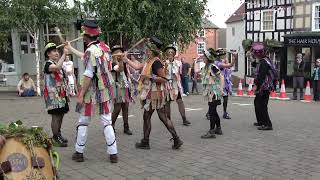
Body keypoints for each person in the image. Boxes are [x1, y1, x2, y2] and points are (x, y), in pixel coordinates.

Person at [71, 21, 118, 163]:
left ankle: (79, 152)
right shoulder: (105, 47)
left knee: (83, 121)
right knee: (107, 122)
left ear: (86, 37)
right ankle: (113, 153)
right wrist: (70, 48)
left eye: (84, 35)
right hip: (105, 90)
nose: (83, 38)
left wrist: (80, 94)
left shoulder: (89, 51)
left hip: (91, 92)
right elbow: (87, 58)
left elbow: (88, 74)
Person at [125, 37, 183, 150]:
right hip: (152, 93)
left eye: (148, 49)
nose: (146, 50)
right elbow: (137, 67)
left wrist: (150, 77)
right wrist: (126, 59)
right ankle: (176, 139)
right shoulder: (149, 61)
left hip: (154, 94)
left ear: (152, 50)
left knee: (150, 116)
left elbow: (164, 79)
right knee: (161, 117)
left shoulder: (156, 62)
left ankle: (146, 141)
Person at [43, 43, 69, 147]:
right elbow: (57, 67)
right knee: (56, 116)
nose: (56, 53)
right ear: (48, 54)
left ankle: (58, 134)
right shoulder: (48, 64)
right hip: (52, 94)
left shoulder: (56, 63)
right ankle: (55, 137)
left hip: (61, 93)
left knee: (61, 114)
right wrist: (64, 54)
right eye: (54, 51)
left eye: (57, 51)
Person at [251, 43, 277, 131]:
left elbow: (261, 75)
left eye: (255, 53)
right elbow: (255, 66)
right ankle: (261, 121)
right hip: (263, 86)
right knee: (257, 103)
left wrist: (256, 85)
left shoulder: (264, 62)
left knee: (262, 105)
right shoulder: (264, 60)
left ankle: (267, 124)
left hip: (264, 87)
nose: (254, 55)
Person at [163, 45, 191, 126]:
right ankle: (168, 119)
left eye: (172, 52)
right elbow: (163, 74)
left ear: (174, 54)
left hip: (175, 85)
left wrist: (178, 77)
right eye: (168, 52)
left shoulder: (178, 63)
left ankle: (184, 119)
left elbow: (180, 73)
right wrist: (166, 68)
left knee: (180, 101)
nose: (170, 53)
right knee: (167, 102)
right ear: (166, 54)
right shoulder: (164, 63)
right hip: (167, 84)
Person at [205, 48, 237, 120]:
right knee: (215, 100)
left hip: (224, 83)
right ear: (218, 56)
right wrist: (234, 59)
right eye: (223, 55)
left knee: (225, 99)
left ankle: (224, 113)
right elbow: (229, 65)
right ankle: (209, 113)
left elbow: (228, 68)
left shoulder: (221, 61)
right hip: (218, 83)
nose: (224, 57)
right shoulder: (217, 63)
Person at [200, 49, 224, 138]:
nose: (203, 58)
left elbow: (221, 77)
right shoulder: (206, 67)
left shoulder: (213, 66)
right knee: (213, 111)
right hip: (210, 92)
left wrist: (221, 88)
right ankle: (218, 128)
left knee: (211, 111)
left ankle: (211, 131)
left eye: (204, 56)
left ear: (208, 58)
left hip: (214, 92)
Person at [111, 45, 134, 135]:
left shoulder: (124, 61)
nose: (118, 53)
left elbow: (131, 70)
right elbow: (120, 69)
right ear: (113, 54)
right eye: (116, 52)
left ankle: (126, 126)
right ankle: (110, 126)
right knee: (117, 108)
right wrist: (120, 61)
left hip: (125, 86)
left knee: (126, 107)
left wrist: (125, 60)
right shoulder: (112, 63)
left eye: (120, 51)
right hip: (117, 88)